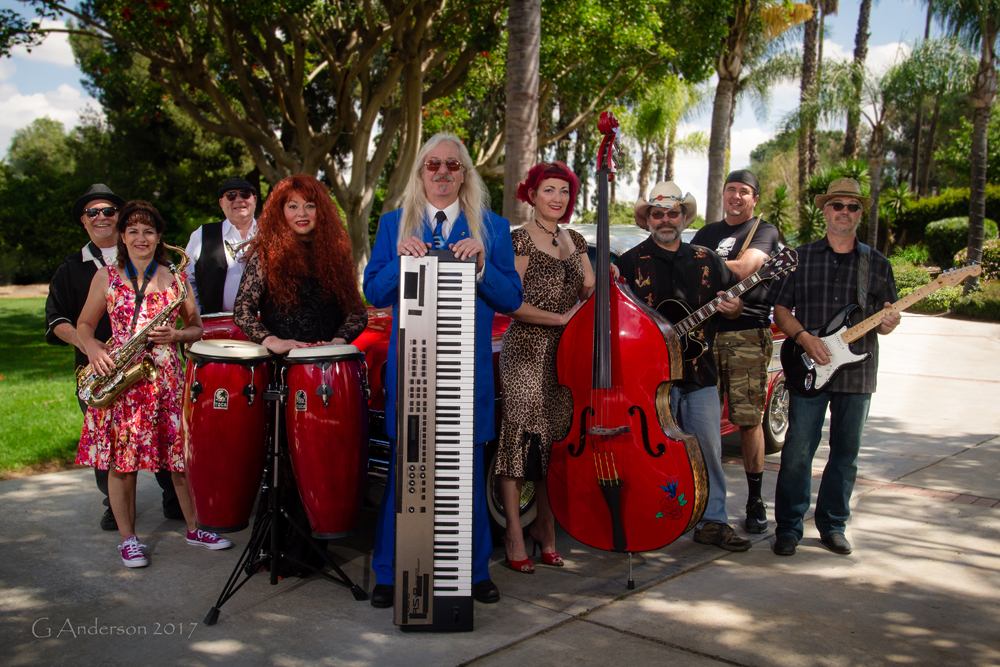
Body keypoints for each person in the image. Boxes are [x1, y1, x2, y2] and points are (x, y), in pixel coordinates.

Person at [364, 133, 523, 607]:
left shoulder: (491, 228)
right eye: (432, 164)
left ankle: (474, 574)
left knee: (467, 477)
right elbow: (374, 291)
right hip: (411, 375)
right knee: (404, 474)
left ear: (465, 175)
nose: (442, 173)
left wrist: (480, 269)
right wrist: (398, 262)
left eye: (453, 166)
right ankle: (390, 573)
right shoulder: (395, 225)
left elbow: (511, 298)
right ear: (419, 173)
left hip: (465, 375)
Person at [76, 200, 231, 568]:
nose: (141, 237)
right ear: (122, 237)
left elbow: (197, 328)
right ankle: (129, 540)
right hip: (122, 376)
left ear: (158, 236)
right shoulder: (106, 278)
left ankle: (196, 528)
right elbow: (83, 325)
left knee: (179, 460)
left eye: (148, 231)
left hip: (165, 377)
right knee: (122, 463)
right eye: (133, 231)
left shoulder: (176, 279)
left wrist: (177, 334)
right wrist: (94, 348)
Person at [233, 174, 369, 575]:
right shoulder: (265, 253)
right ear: (279, 211)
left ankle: (315, 548)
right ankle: (279, 550)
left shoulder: (336, 252)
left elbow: (357, 312)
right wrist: (272, 340)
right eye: (292, 206)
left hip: (326, 371)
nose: (301, 213)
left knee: (321, 459)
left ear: (321, 210)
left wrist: (335, 342)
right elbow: (242, 310)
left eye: (309, 205)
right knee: (284, 462)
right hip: (284, 373)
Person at [615, 181, 752, 552]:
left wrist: (732, 307)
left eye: (672, 213)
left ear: (683, 217)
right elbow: (617, 323)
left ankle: (713, 521)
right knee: (652, 452)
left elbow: (732, 306)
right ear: (648, 219)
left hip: (699, 373)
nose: (665, 219)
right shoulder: (628, 264)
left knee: (708, 449)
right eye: (657, 214)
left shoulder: (706, 260)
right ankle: (650, 519)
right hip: (651, 382)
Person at [767, 178, 900, 557]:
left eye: (852, 207)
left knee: (845, 454)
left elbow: (887, 318)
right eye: (837, 205)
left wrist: (890, 323)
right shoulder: (800, 257)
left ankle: (833, 525)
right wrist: (805, 338)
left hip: (857, 373)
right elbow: (779, 309)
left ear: (860, 214)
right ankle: (789, 527)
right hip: (809, 366)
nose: (844, 212)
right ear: (825, 212)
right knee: (797, 450)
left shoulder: (877, 264)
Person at [45, 184, 180, 531]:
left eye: (108, 211)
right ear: (83, 221)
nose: (101, 217)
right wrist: (91, 347)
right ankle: (115, 507)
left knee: (166, 434)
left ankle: (175, 499)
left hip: (149, 367)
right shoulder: (71, 268)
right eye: (93, 212)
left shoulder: (149, 259)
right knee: (110, 446)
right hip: (101, 369)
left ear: (119, 220)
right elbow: (57, 319)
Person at [496, 162, 595, 573]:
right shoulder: (518, 239)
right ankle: (515, 532)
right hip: (526, 348)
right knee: (520, 440)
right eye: (548, 190)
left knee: (553, 441)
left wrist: (574, 250)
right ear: (531, 194)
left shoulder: (573, 238)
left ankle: (547, 527)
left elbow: (588, 288)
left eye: (564, 192)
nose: (557, 198)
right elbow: (512, 302)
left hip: (565, 353)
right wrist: (558, 319)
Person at [691, 170, 781, 534]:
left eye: (744, 192)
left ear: (754, 198)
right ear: (723, 195)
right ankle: (705, 504)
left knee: (747, 420)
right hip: (705, 334)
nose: (736, 197)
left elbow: (746, 268)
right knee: (703, 423)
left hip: (746, 332)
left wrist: (700, 268)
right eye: (731, 190)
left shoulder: (764, 231)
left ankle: (755, 500)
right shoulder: (707, 233)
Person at [185, 177, 258, 314]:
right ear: (221, 203)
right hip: (216, 324)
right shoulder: (201, 234)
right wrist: (198, 317)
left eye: (245, 194)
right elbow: (187, 280)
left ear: (254, 200)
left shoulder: (271, 233)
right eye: (231, 196)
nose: (238, 199)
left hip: (265, 324)